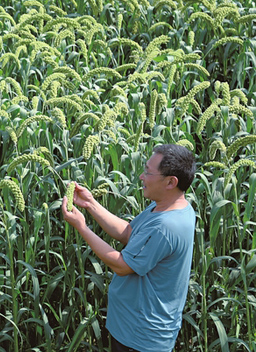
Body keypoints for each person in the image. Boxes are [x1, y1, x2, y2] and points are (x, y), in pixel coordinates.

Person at [61, 144, 196, 352]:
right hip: (133, 328)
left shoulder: (166, 226)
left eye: (148, 172)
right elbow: (129, 233)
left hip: (141, 336)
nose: (141, 177)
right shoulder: (167, 206)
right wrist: (91, 204)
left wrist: (82, 227)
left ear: (171, 182)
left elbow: (123, 266)